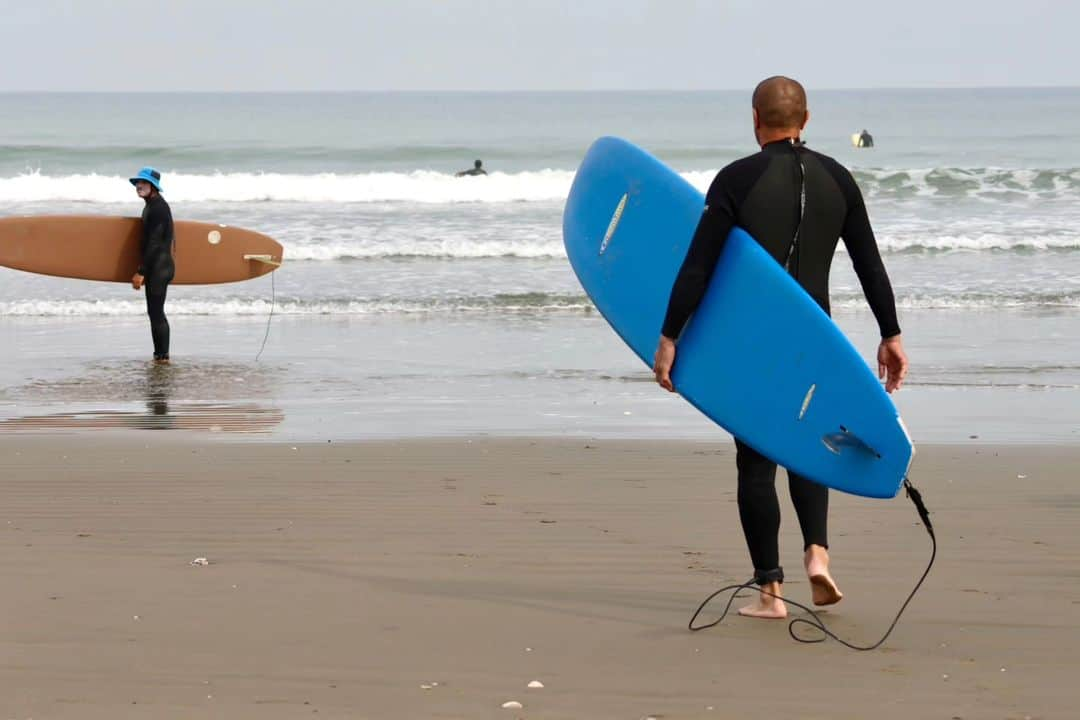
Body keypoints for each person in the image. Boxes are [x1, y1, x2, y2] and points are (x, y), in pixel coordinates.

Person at [652, 77, 908, 619]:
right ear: (807, 120)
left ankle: (770, 593)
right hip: (818, 336)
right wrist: (890, 333)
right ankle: (818, 553)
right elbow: (869, 263)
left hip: (755, 342)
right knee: (811, 443)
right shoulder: (839, 178)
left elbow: (698, 265)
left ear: (755, 119)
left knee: (755, 462)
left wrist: (670, 335)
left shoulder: (736, 180)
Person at [129, 166, 175, 365]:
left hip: (159, 267)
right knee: (154, 312)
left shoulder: (158, 208)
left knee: (156, 313)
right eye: (138, 182)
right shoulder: (151, 205)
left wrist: (141, 272)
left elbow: (155, 243)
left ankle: (163, 357)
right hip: (158, 266)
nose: (139, 185)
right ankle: (159, 355)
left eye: (143, 183)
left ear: (153, 187)